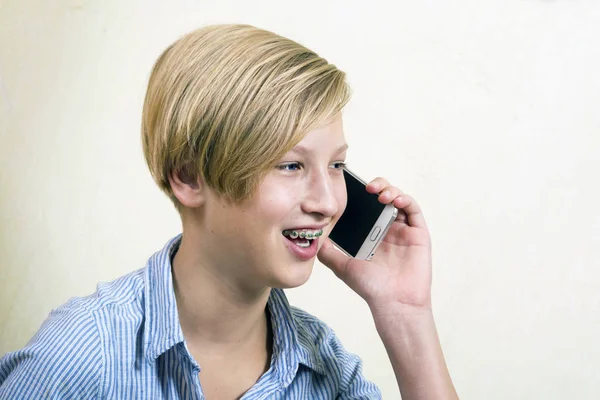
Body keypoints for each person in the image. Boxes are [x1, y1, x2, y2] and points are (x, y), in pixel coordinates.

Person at [0, 24, 458, 399]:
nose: (327, 202)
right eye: (291, 165)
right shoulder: (82, 355)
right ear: (189, 177)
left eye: (337, 165)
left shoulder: (324, 367)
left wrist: (406, 314)